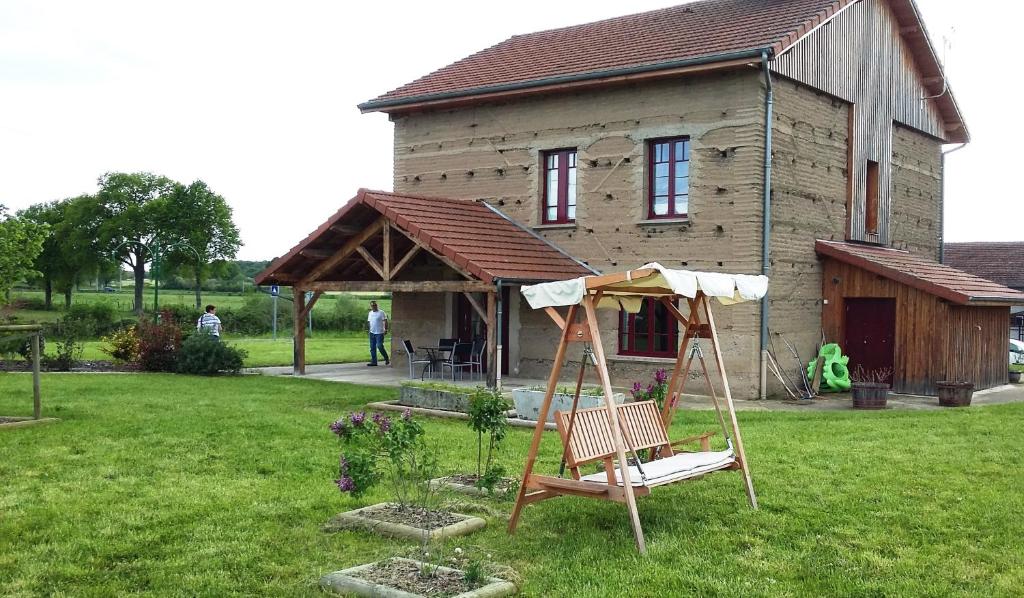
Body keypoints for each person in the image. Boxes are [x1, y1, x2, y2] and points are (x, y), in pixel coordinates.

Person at [366, 300, 389, 366]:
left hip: (379, 333)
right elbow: (369, 322)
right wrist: (369, 330)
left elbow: (385, 321)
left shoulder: (381, 312)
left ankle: (386, 358)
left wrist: (386, 329)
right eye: (373, 305)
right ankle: (374, 362)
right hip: (372, 333)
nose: (374, 306)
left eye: (375, 305)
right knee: (372, 348)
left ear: (377, 305)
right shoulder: (370, 313)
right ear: (371, 306)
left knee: (379, 346)